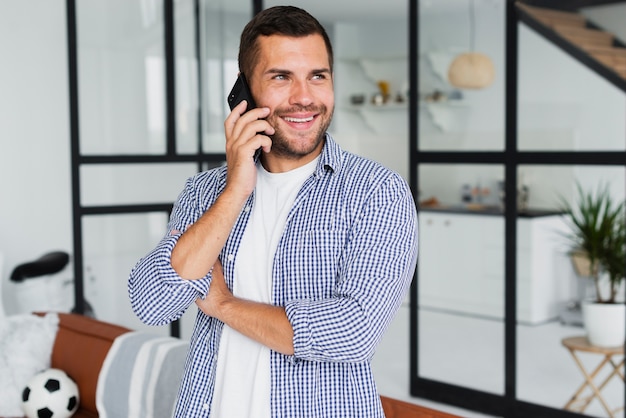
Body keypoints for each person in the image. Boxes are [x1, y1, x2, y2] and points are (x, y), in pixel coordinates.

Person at [129, 5, 418, 417]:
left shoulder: (376, 192)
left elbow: (353, 332)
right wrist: (234, 191)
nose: (304, 97)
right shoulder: (204, 191)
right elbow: (152, 302)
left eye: (317, 76)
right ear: (244, 93)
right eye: (281, 77)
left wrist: (223, 305)